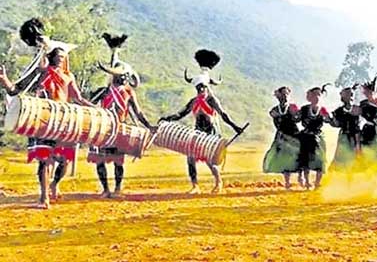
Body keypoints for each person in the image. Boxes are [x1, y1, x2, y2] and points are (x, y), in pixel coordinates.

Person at [0, 18, 94, 208]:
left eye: (63, 54)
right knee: (44, 159)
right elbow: (14, 90)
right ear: (51, 56)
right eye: (58, 54)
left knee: (65, 161)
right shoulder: (41, 73)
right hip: (43, 120)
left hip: (64, 121)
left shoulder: (69, 76)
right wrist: (4, 80)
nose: (61, 56)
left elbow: (78, 98)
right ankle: (44, 197)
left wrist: (95, 109)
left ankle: (54, 184)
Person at [160, 49, 244, 194]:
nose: (201, 90)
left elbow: (223, 115)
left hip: (211, 133)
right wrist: (168, 118)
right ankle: (195, 186)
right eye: (198, 88)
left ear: (207, 87)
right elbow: (181, 114)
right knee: (190, 159)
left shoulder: (212, 100)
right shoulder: (193, 101)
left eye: (203, 87)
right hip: (198, 132)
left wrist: (235, 127)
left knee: (210, 160)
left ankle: (218, 183)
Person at [87, 33, 156, 198]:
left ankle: (117, 188)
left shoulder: (128, 92)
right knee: (100, 160)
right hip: (103, 129)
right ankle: (105, 189)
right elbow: (89, 105)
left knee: (118, 161)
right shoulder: (104, 91)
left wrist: (148, 126)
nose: (124, 78)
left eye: (125, 76)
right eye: (121, 75)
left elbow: (137, 112)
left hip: (119, 129)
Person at [262, 86, 302, 189]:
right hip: (282, 136)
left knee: (298, 155)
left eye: (287, 94)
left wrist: (296, 115)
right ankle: (287, 182)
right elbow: (274, 118)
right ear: (278, 96)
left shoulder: (293, 107)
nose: (285, 96)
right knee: (284, 157)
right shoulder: (274, 110)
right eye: (283, 94)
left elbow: (298, 119)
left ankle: (300, 177)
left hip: (294, 134)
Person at [298, 84, 332, 189]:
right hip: (306, 136)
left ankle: (317, 182)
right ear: (310, 96)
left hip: (318, 136)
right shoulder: (304, 109)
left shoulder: (323, 110)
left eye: (319, 95)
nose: (317, 97)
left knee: (320, 160)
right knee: (305, 160)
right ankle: (307, 181)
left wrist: (328, 117)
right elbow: (296, 119)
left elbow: (329, 121)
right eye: (314, 95)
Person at [329, 85, 361, 172]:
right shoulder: (338, 111)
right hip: (344, 137)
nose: (350, 96)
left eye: (351, 94)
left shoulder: (358, 109)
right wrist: (330, 120)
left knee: (355, 158)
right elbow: (337, 124)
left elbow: (361, 123)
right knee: (341, 158)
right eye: (347, 94)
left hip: (355, 137)